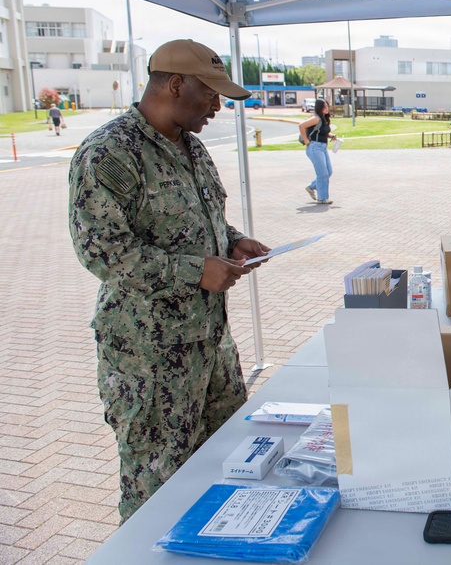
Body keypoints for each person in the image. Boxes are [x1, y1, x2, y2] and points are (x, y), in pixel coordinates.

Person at [67, 39, 271, 523]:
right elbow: (103, 252)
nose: (217, 107)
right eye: (211, 94)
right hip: (151, 360)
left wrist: (232, 241)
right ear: (175, 84)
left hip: (209, 345)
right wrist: (196, 270)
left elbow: (198, 222)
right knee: (156, 495)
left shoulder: (191, 147)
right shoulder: (110, 153)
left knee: (226, 470)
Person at [299, 98, 338, 205]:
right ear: (319, 107)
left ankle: (311, 187)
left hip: (323, 148)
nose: (327, 108)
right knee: (322, 174)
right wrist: (306, 141)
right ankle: (323, 198)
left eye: (327, 106)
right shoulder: (315, 118)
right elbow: (301, 126)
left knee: (328, 172)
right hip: (315, 148)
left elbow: (321, 132)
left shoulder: (323, 118)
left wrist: (331, 135)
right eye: (324, 106)